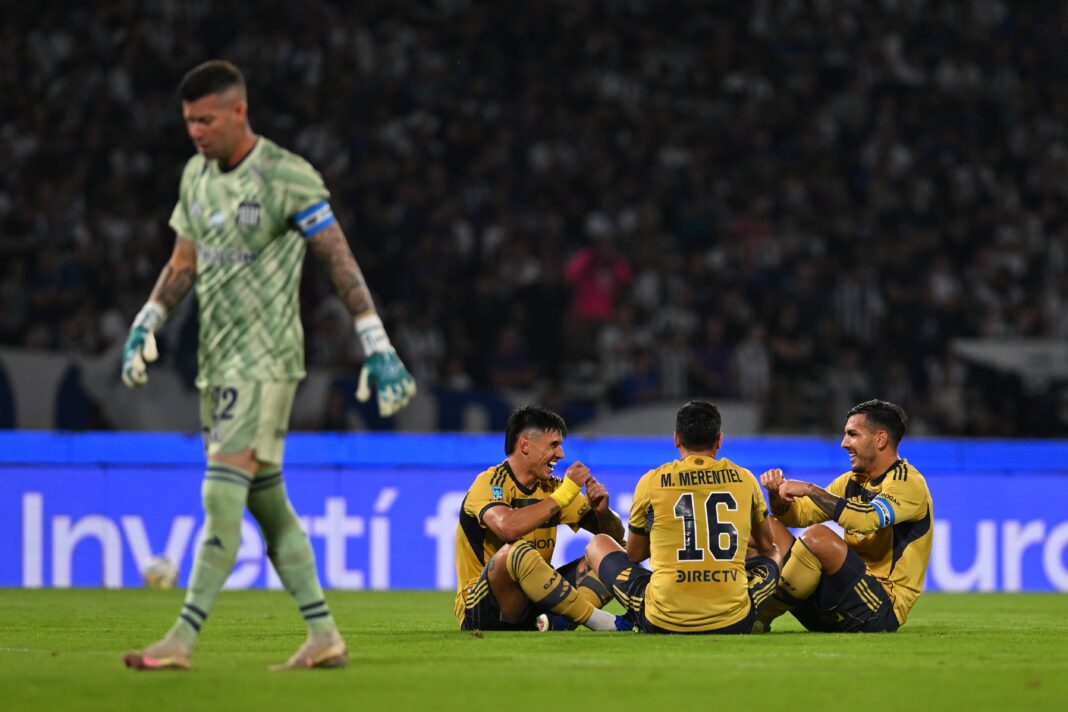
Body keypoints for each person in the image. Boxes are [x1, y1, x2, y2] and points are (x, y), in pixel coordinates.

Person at [120, 60, 416, 671]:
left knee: (220, 492)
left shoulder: (285, 176)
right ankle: (323, 635)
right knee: (266, 502)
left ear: (238, 112)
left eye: (206, 119)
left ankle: (181, 638)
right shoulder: (196, 178)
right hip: (216, 362)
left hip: (266, 360)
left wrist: (374, 339)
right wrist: (147, 317)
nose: (196, 132)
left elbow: (338, 258)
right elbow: (183, 263)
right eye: (188, 122)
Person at [585, 400, 782, 634]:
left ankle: (607, 617)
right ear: (719, 440)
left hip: (663, 620)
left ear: (676, 439)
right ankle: (756, 614)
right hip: (733, 621)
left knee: (598, 544)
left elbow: (636, 554)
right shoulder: (745, 479)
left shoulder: (652, 481)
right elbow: (765, 544)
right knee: (774, 552)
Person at [757, 399, 933, 633]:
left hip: (878, 610)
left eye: (852, 434)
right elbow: (795, 517)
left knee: (818, 538)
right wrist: (776, 496)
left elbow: (867, 519)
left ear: (880, 439)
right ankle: (742, 603)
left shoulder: (908, 483)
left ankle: (757, 616)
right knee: (766, 527)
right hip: (835, 602)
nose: (844, 443)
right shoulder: (852, 481)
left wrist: (811, 489)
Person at [454, 406, 630, 632]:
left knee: (614, 552)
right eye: (553, 445)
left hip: (535, 601)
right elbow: (508, 528)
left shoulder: (551, 488)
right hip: (483, 607)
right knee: (516, 551)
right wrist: (565, 494)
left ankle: (554, 623)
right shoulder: (490, 482)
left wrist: (602, 511)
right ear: (525, 445)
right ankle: (602, 622)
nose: (561, 454)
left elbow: (614, 537)